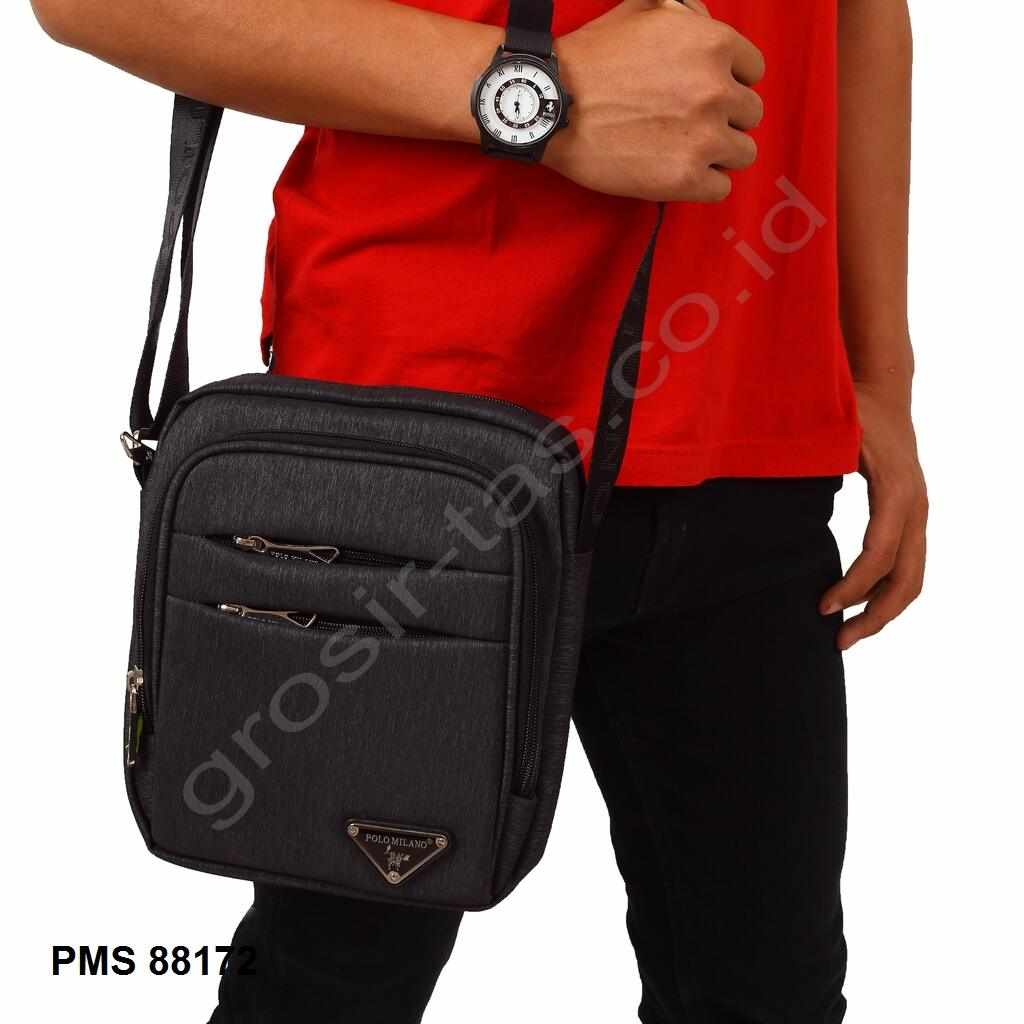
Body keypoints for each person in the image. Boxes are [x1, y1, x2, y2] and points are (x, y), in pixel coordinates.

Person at [31, 0, 928, 1020]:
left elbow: (862, 17)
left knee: (770, 996)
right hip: (414, 447)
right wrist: (539, 95)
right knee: (329, 986)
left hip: (745, 423)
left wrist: (878, 377)